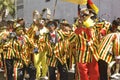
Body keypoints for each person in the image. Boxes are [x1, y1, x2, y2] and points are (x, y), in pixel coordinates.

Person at [69, 8, 99, 80]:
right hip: (82, 54)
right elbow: (70, 40)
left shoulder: (93, 26)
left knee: (94, 74)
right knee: (83, 75)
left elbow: (96, 39)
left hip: (93, 53)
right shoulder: (75, 27)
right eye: (82, 15)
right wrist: (79, 28)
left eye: (86, 15)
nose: (84, 17)